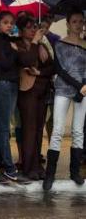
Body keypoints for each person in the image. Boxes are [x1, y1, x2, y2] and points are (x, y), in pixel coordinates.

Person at [43, 10, 86, 191]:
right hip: (63, 89)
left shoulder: (85, 44)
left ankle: (74, 172)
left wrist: (83, 87)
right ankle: (50, 174)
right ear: (67, 24)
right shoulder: (59, 44)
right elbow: (60, 69)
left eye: (80, 21)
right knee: (58, 130)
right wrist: (78, 86)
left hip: (83, 92)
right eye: (74, 21)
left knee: (77, 131)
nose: (78, 24)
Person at [0, 11, 29, 184]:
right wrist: (14, 52)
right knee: (5, 129)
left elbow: (23, 61)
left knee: (3, 129)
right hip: (1, 84)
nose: (9, 25)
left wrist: (16, 49)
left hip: (12, 84)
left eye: (11, 23)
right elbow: (4, 63)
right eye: (5, 22)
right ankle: (10, 169)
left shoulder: (10, 41)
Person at [15, 15, 54, 180]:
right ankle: (27, 167)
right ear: (22, 30)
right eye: (29, 27)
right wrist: (36, 43)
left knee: (39, 129)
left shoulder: (43, 44)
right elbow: (27, 60)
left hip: (42, 90)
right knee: (29, 129)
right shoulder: (17, 44)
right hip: (27, 91)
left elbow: (52, 67)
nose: (33, 30)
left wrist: (40, 73)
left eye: (34, 27)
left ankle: (37, 166)